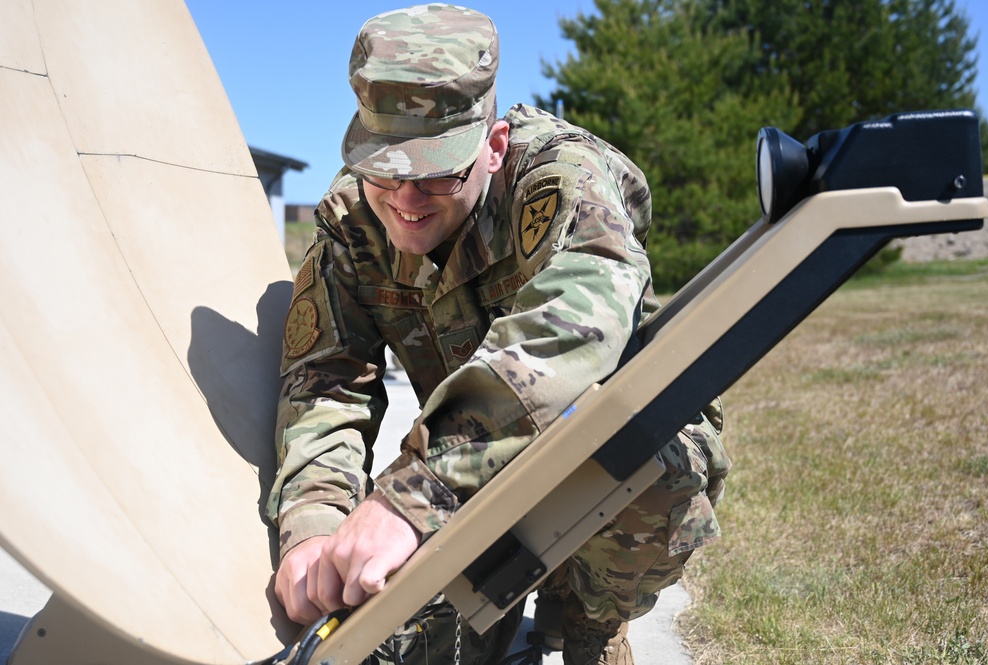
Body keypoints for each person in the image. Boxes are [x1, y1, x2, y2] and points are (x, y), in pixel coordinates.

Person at [268, 5, 730, 664]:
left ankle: (588, 623)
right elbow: (325, 381)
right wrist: (314, 526)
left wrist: (412, 496)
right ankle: (488, 612)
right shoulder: (351, 225)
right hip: (470, 478)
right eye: (384, 167)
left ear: (492, 143)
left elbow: (573, 325)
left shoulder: (561, 178)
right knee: (413, 647)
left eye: (435, 172)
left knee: (663, 460)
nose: (404, 198)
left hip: (589, 463)